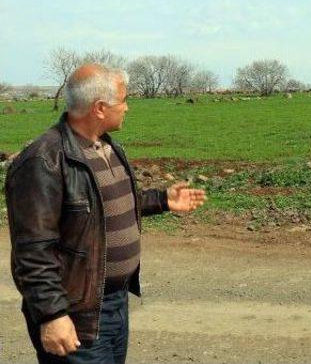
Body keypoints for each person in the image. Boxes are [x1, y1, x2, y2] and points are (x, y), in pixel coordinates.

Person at [4, 64, 207, 363]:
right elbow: (32, 251)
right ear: (99, 108)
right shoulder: (43, 161)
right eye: (123, 100)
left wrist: (163, 199)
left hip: (114, 304)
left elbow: (103, 203)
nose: (127, 107)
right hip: (76, 313)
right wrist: (52, 314)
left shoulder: (108, 148)